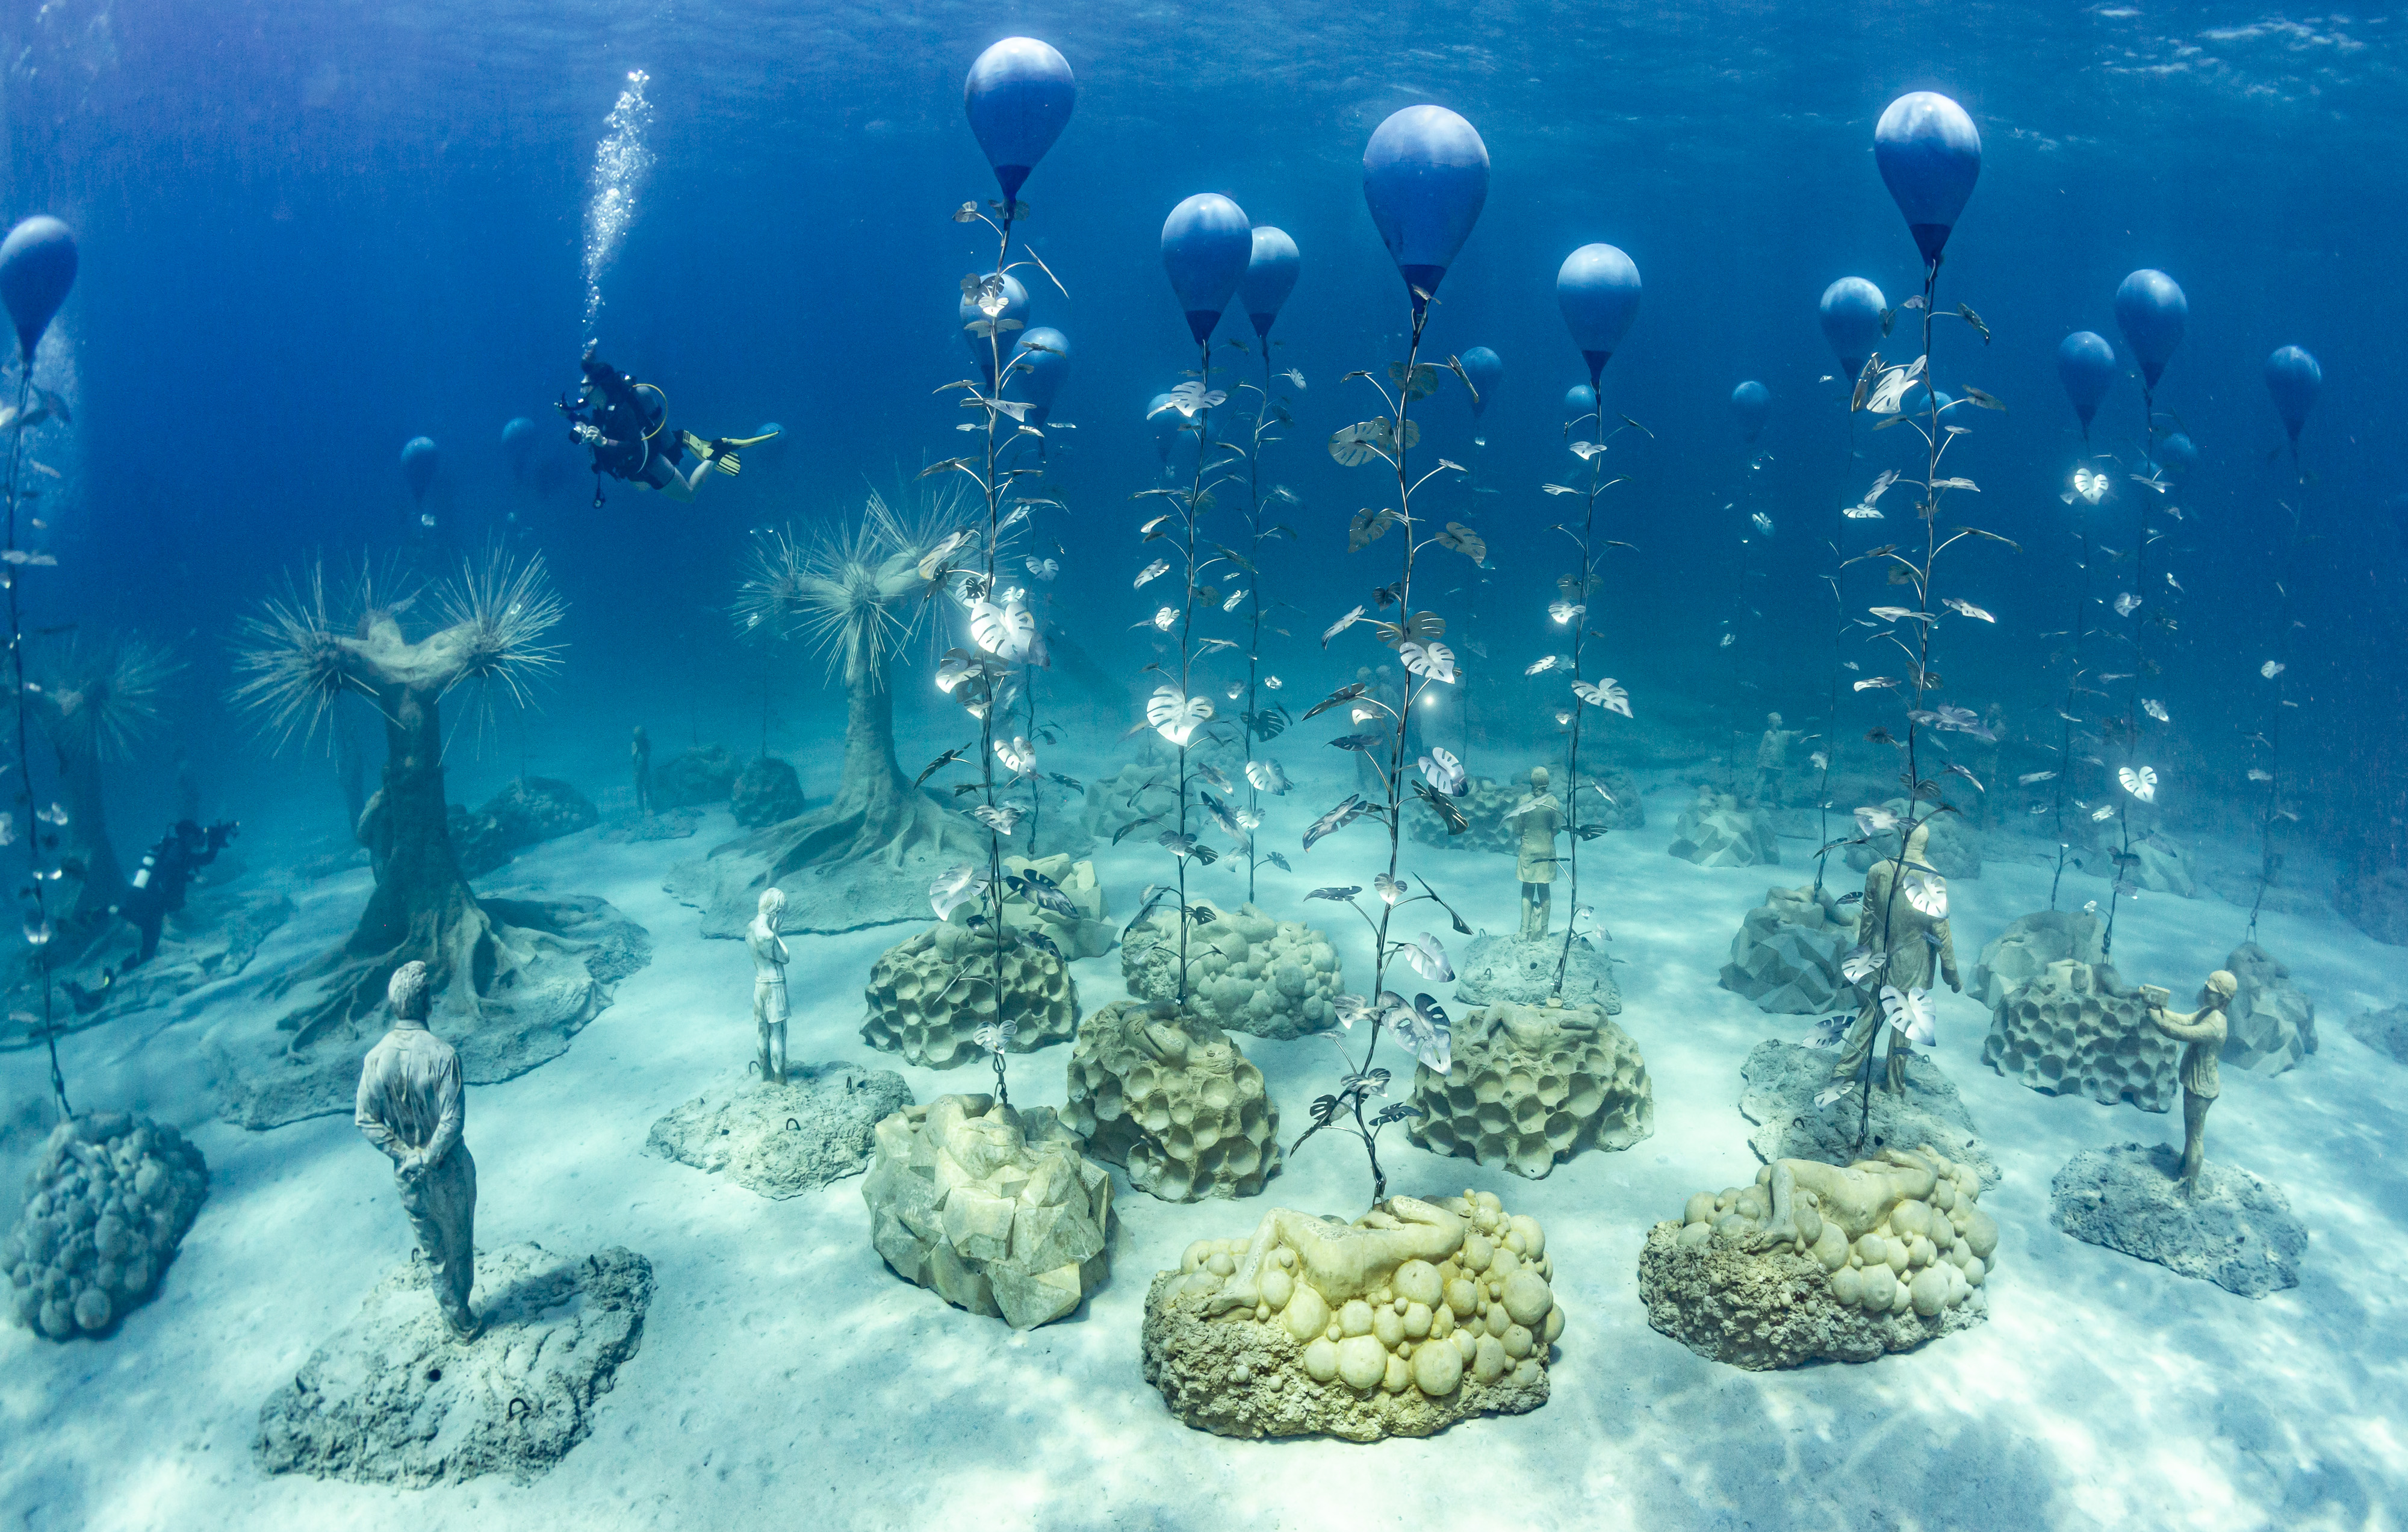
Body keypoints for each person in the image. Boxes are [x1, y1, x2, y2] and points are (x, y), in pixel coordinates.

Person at [356, 961, 480, 1339]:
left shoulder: (375, 1058)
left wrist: (404, 1155)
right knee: (459, 1244)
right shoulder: (443, 1056)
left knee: (434, 1253)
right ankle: (464, 1317)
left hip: (408, 1176)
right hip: (449, 1171)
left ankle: (457, 1319)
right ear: (426, 1001)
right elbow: (451, 1122)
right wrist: (428, 1158)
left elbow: (365, 1119)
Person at [1831, 819, 1960, 1093]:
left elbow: (1867, 920)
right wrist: (1951, 973)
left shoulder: (1878, 870)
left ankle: (1843, 1071)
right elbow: (1942, 932)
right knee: (1906, 1025)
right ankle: (1893, 1084)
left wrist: (1861, 959)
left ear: (1903, 840)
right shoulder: (1934, 879)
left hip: (1881, 961)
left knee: (1870, 1015)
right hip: (1914, 966)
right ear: (1925, 844)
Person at [556, 350, 777, 507]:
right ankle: (677, 438)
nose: (581, 390)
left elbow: (633, 446)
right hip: (634, 470)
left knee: (689, 495)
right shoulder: (601, 409)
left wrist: (604, 442)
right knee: (642, 488)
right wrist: (571, 416)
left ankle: (718, 451)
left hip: (649, 463)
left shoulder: (621, 410)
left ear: (598, 387)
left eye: (584, 385)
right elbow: (594, 430)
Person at [2148, 970, 2234, 1189]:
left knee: (2195, 1136)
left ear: (2224, 998)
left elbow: (2180, 1032)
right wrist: (2163, 1011)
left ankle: (2190, 1182)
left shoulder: (2215, 1024)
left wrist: (2157, 1019)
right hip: (2197, 1081)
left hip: (2201, 1085)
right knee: (2191, 1132)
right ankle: (2186, 1166)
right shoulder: (2209, 1012)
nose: (2206, 991)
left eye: (2211, 990)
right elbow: (2185, 1020)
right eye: (2207, 987)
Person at [116, 819, 239, 967]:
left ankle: (128, 962)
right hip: (152, 901)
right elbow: (172, 871)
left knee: (149, 939)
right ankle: (108, 913)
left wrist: (215, 845)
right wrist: (192, 877)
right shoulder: (176, 850)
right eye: (193, 835)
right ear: (186, 835)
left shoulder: (179, 851)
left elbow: (201, 860)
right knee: (149, 938)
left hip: (155, 902)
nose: (196, 838)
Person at [1506, 766, 1564, 941]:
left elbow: (1517, 829)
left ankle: (1524, 933)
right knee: (1545, 891)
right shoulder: (1553, 802)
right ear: (1547, 782)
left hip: (1528, 851)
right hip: (1547, 851)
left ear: (1531, 781)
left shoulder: (1523, 801)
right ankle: (1544, 934)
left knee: (1527, 891)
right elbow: (1557, 829)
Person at [748, 887, 791, 1085]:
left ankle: (765, 1074)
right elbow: (785, 957)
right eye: (782, 914)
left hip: (759, 983)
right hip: (774, 985)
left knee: (762, 1030)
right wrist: (776, 931)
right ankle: (780, 1077)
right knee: (778, 1031)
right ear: (776, 911)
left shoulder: (750, 928)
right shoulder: (768, 936)